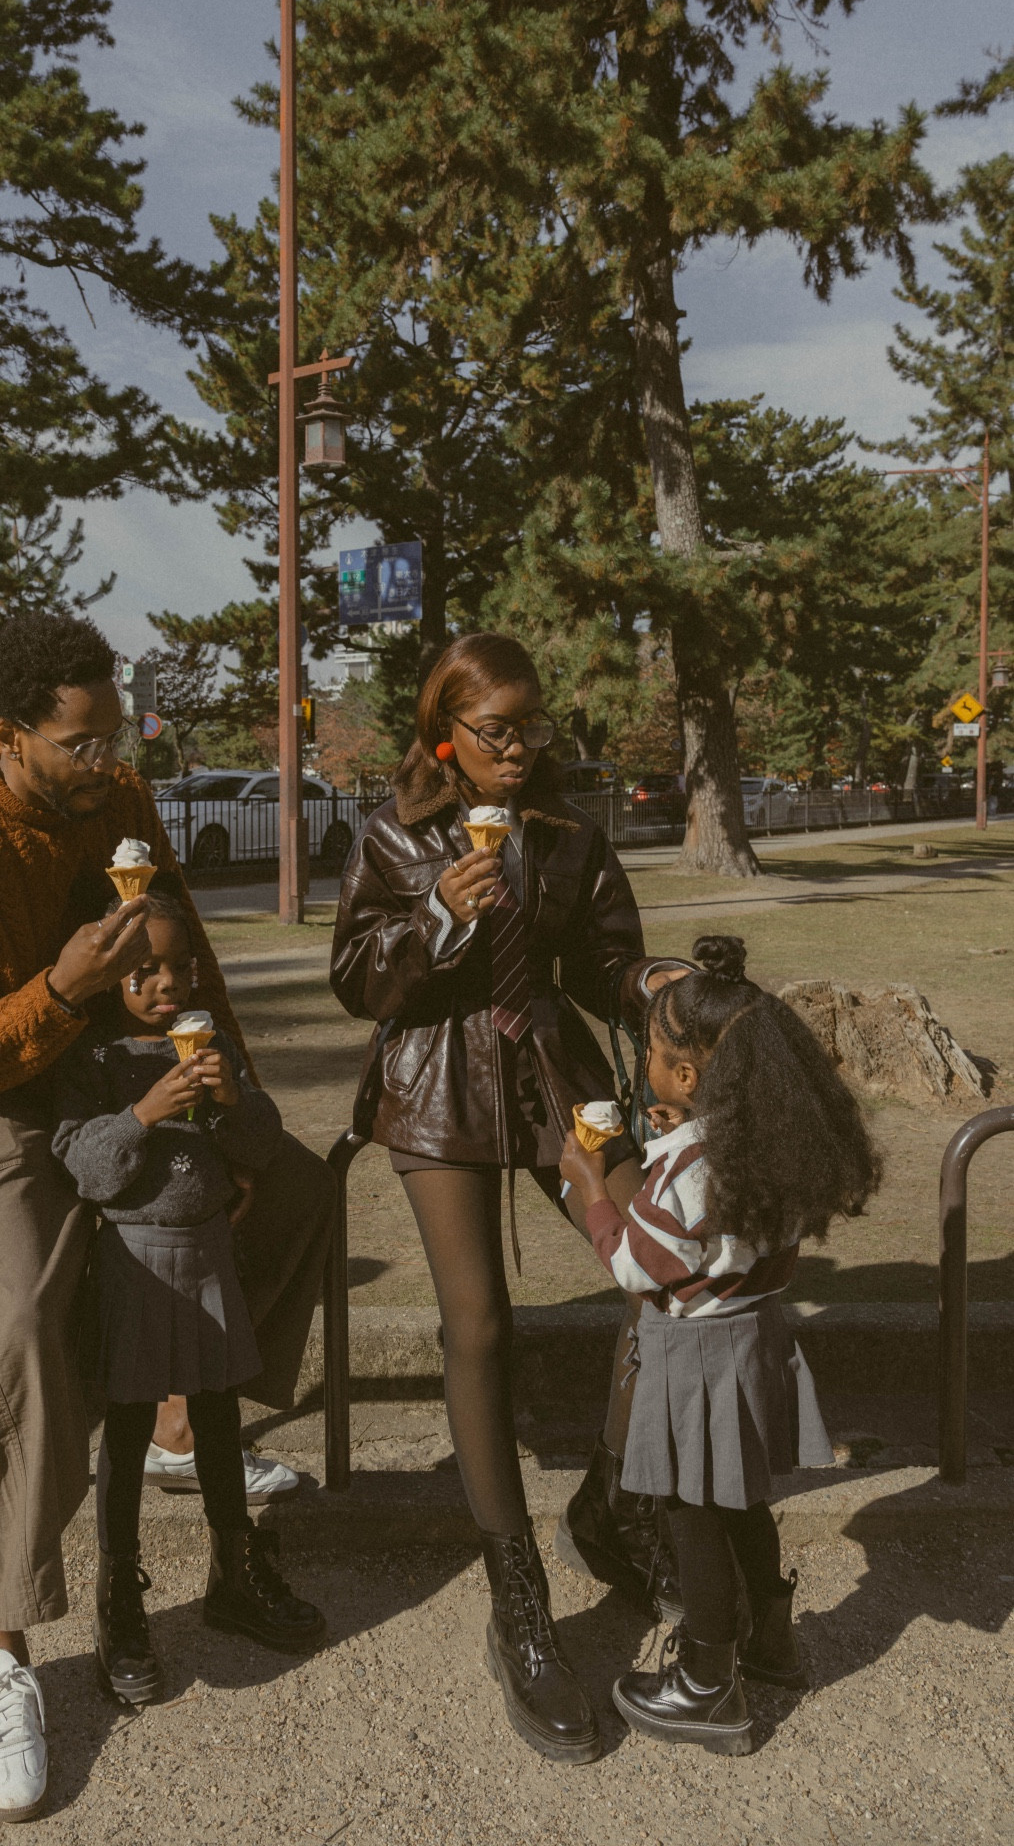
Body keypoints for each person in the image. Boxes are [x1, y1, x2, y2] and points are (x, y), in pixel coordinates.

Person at [0, 612, 333, 1823]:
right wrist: (63, 989)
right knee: (27, 1301)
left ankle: (180, 1413)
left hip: (110, 1057)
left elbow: (188, 957)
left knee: (294, 1186)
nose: (109, 761)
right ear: (9, 733)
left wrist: (230, 1103)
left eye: (114, 734)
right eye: (81, 742)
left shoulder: (114, 795)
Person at [330, 631, 685, 1767]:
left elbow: (601, 962)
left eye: (533, 725)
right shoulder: (395, 832)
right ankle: (517, 1596)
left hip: (552, 1073)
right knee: (477, 1323)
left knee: (664, 1272)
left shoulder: (570, 832)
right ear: (446, 733)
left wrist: (652, 983)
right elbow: (356, 978)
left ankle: (607, 1505)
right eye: (496, 730)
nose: (521, 747)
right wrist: (436, 913)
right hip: (434, 1082)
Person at [562, 935, 883, 1754]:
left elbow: (638, 1266)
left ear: (686, 1076)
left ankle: (708, 1682)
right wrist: (682, 1129)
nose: (646, 1066)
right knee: (740, 1500)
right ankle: (771, 1642)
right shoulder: (769, 1145)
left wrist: (592, 1190)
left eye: (653, 1053)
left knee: (691, 1515)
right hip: (754, 1338)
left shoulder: (685, 1175)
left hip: (693, 1357)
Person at [52, 895, 326, 1705]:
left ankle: (233, 1570)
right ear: (112, 975)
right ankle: (118, 1594)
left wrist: (232, 1100)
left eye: (181, 966)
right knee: (128, 1426)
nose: (167, 984)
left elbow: (262, 1143)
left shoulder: (213, 1046)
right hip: (134, 1264)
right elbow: (83, 1165)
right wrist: (145, 1112)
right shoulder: (94, 1056)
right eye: (145, 971)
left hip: (208, 1257)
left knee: (217, 1415)